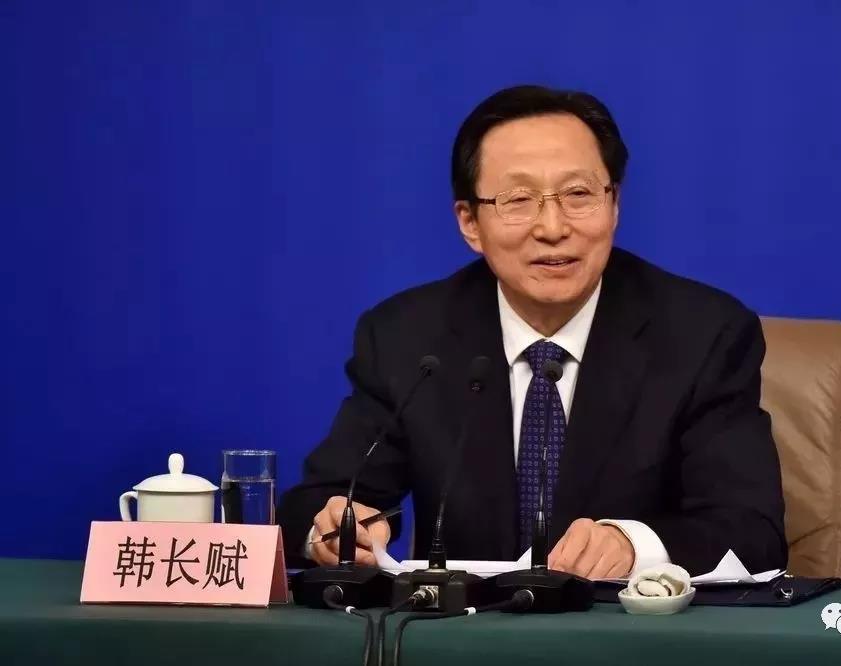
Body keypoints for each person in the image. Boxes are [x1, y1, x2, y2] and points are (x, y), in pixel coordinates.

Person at [277, 85, 787, 580]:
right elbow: (314, 506)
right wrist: (337, 531)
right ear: (470, 223)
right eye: (518, 199)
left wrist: (634, 545)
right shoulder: (407, 338)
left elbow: (752, 532)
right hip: (462, 629)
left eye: (578, 194)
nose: (552, 228)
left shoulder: (704, 334)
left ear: (614, 205)